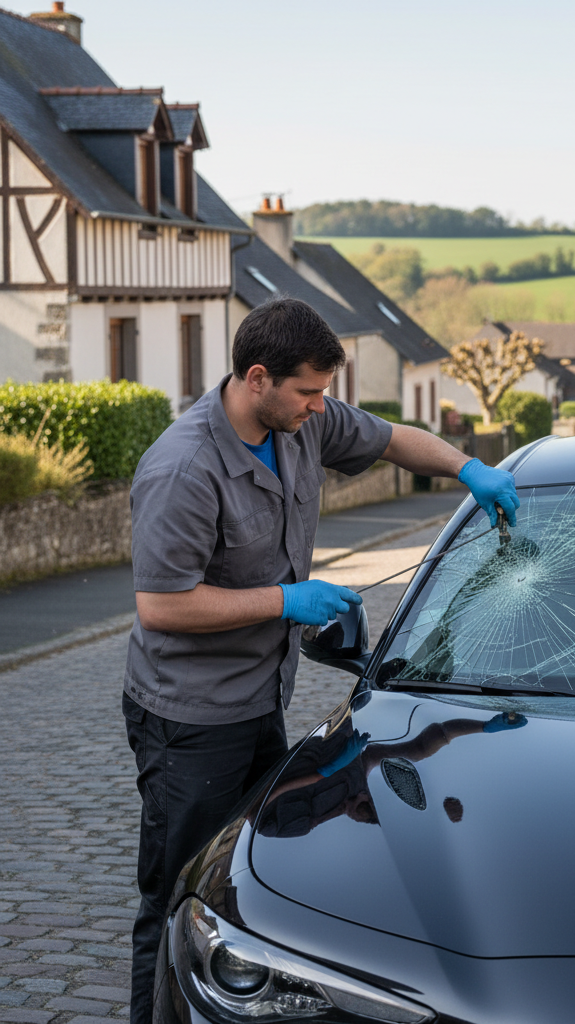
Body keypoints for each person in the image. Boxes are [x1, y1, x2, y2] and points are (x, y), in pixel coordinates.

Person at [122, 297, 519, 1024]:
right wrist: (284, 602)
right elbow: (162, 605)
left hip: (258, 703)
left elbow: (394, 439)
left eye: (324, 392)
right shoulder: (183, 468)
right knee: (176, 893)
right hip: (188, 720)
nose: (320, 406)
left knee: (236, 881)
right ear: (258, 378)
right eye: (307, 391)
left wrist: (469, 469)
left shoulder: (304, 422)